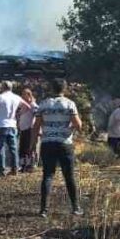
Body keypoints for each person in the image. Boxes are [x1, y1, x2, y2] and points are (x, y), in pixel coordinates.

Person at [33, 78, 83, 217]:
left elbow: (36, 126)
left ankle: (44, 209)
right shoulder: (69, 104)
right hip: (64, 143)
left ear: (51, 88)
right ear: (64, 89)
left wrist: (33, 144)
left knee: (48, 175)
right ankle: (76, 207)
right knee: (69, 176)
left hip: (47, 143)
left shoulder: (43, 104)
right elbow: (78, 125)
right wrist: (70, 129)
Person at [0, 81, 24, 175]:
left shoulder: (0, 97)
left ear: (3, 87)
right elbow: (27, 106)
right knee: (13, 148)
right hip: (12, 124)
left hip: (1, 125)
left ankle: (2, 170)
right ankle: (15, 168)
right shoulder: (16, 97)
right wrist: (18, 113)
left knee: (1, 148)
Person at [18, 87, 38, 172]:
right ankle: (23, 165)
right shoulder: (23, 105)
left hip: (29, 129)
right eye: (22, 94)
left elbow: (37, 115)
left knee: (29, 148)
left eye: (24, 94)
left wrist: (33, 125)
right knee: (22, 148)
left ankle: (30, 165)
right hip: (23, 129)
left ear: (29, 95)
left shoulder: (33, 104)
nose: (22, 95)